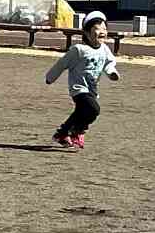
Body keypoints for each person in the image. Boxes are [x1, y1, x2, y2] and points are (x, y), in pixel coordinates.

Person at [43, 12, 120, 150]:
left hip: (92, 88)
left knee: (80, 113)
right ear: (87, 32)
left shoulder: (104, 49)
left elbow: (109, 63)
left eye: (104, 28)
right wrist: (50, 78)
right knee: (93, 109)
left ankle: (62, 134)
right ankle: (78, 131)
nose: (102, 32)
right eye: (97, 29)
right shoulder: (79, 50)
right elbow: (62, 64)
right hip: (79, 88)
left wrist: (111, 73)